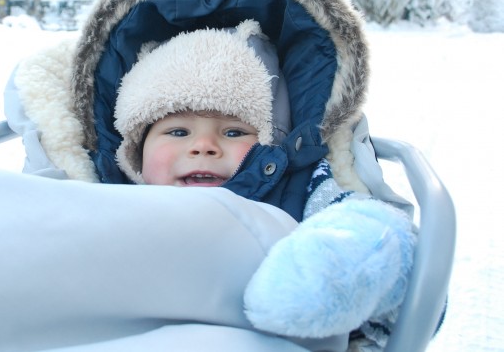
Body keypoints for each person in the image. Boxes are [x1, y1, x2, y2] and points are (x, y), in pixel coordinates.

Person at [109, 19, 417, 350]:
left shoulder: (300, 191)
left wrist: (343, 260)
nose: (204, 147)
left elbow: (371, 232)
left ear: (271, 140)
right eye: (179, 132)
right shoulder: (110, 201)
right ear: (137, 150)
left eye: (233, 132)